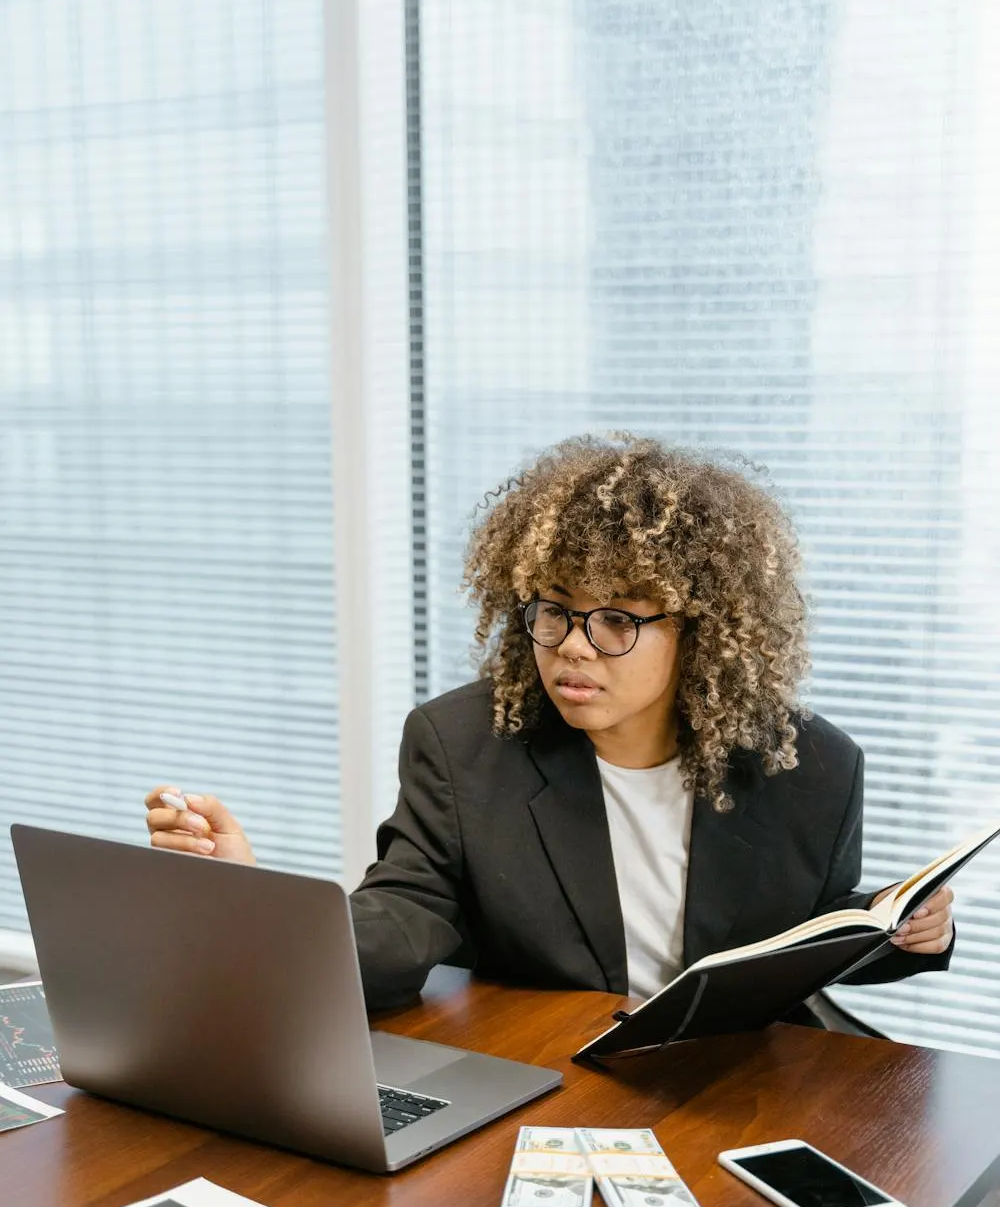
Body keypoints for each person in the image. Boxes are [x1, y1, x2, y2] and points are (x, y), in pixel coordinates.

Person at [143, 433, 955, 1014]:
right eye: (554, 612)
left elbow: (814, 937)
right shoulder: (464, 747)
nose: (573, 647)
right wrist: (258, 903)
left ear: (700, 632)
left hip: (739, 1065)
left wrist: (905, 934)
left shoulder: (808, 764)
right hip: (557, 1063)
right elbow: (402, 917)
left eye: (616, 621)